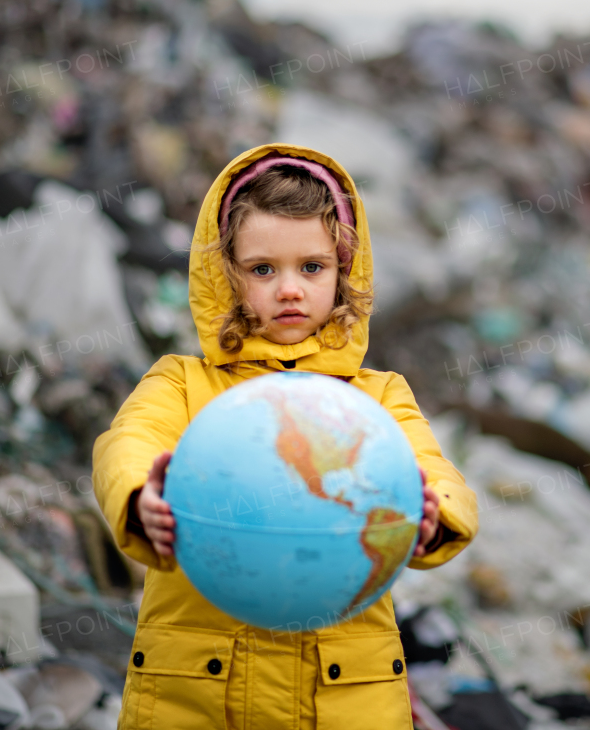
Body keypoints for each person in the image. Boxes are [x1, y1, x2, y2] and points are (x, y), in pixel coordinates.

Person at [92, 143, 478, 730]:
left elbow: (433, 467)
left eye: (312, 267)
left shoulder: (378, 397)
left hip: (345, 698)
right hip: (194, 695)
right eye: (263, 269)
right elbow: (127, 441)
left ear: (345, 272)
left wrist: (432, 513)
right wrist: (139, 496)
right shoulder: (183, 383)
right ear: (227, 274)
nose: (290, 289)